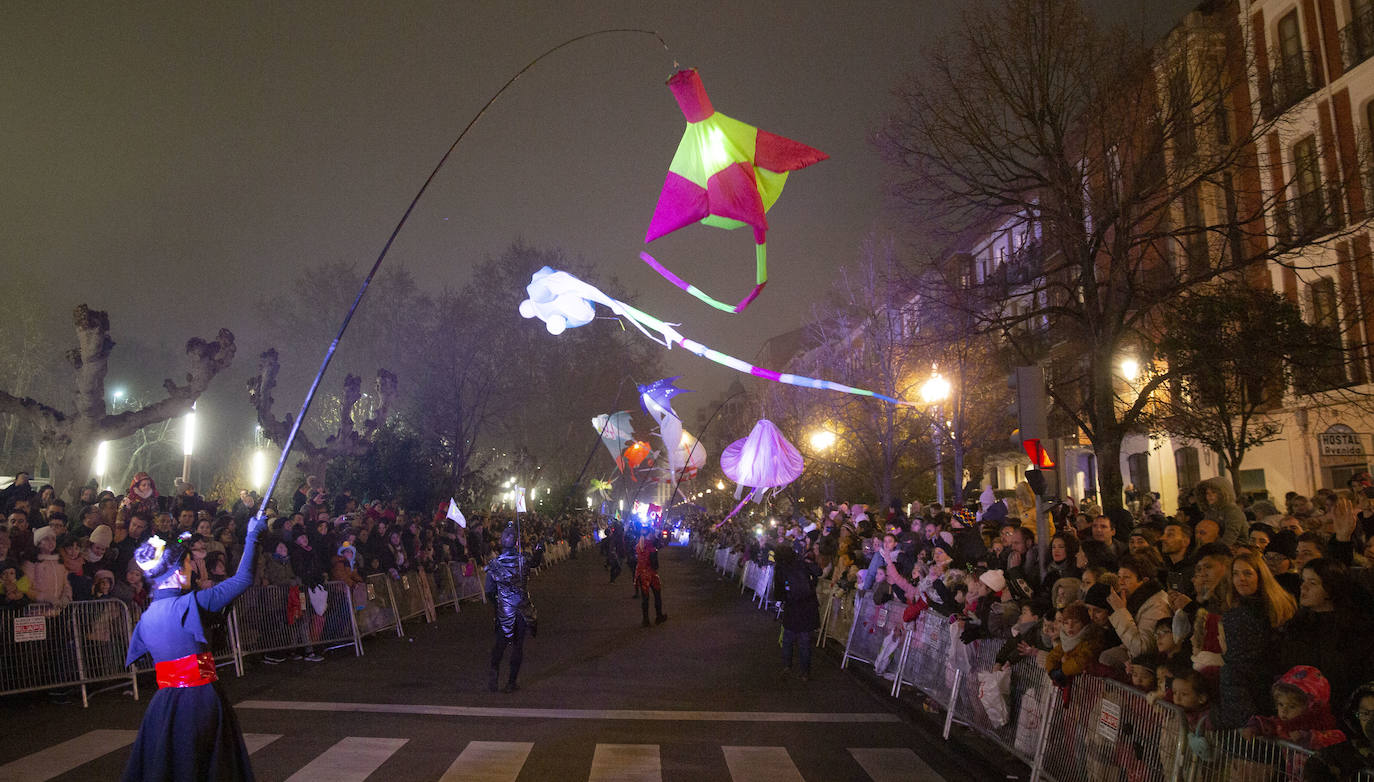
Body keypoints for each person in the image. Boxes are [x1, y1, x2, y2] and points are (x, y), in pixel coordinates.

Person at [122, 514, 266, 781]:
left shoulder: (146, 617)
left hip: (164, 705)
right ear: (177, 573)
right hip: (200, 701)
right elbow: (243, 579)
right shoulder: (191, 604)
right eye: (189, 565)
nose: (193, 570)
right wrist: (251, 536)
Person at [485, 523, 534, 693]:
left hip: (504, 608)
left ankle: (494, 669)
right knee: (518, 645)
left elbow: (489, 591)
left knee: (500, 643)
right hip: (520, 607)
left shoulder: (494, 564)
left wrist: (498, 603)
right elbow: (533, 565)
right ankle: (511, 682)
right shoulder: (524, 560)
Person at [773, 543, 820, 680]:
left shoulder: (781, 568)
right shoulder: (802, 563)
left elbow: (778, 593)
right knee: (805, 641)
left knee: (788, 639)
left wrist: (783, 599)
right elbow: (818, 572)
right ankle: (805, 672)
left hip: (792, 607)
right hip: (808, 606)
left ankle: (787, 666)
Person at [634, 531, 667, 628]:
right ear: (650, 535)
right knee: (657, 595)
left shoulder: (638, 546)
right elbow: (655, 565)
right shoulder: (652, 548)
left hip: (641, 573)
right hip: (651, 575)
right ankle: (658, 616)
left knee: (645, 598)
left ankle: (645, 620)